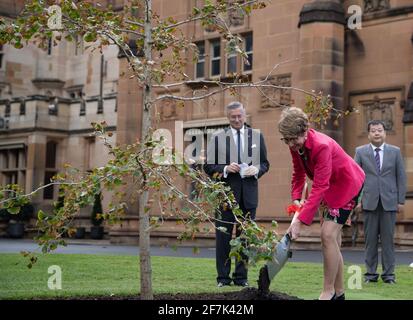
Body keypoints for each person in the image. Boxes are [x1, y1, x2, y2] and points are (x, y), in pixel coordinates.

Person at [278, 107, 365, 300]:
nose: (291, 144)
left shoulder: (321, 146)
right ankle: (340, 293)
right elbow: (298, 174)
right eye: (287, 139)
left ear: (304, 131)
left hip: (347, 185)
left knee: (327, 235)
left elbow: (319, 186)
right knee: (332, 241)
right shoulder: (295, 146)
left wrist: (300, 221)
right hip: (328, 187)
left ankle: (328, 291)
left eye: (294, 139)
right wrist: (296, 200)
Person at [204, 101, 270, 287]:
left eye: (239, 116)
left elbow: (265, 164)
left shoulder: (257, 136)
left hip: (249, 196)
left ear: (245, 115)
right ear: (228, 117)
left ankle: (241, 278)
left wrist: (255, 170)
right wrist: (225, 168)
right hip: (225, 197)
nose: (237, 119)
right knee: (223, 238)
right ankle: (223, 279)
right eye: (233, 117)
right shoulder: (217, 138)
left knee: (245, 238)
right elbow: (208, 166)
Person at [354, 120, 406, 284]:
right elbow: (356, 177)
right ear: (369, 134)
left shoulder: (395, 152)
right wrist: (357, 200)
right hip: (368, 202)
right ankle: (370, 274)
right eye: (373, 131)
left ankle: (389, 275)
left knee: (388, 240)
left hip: (390, 202)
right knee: (370, 241)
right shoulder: (360, 152)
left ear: (385, 133)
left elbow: (401, 177)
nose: (377, 133)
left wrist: (400, 200)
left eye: (380, 130)